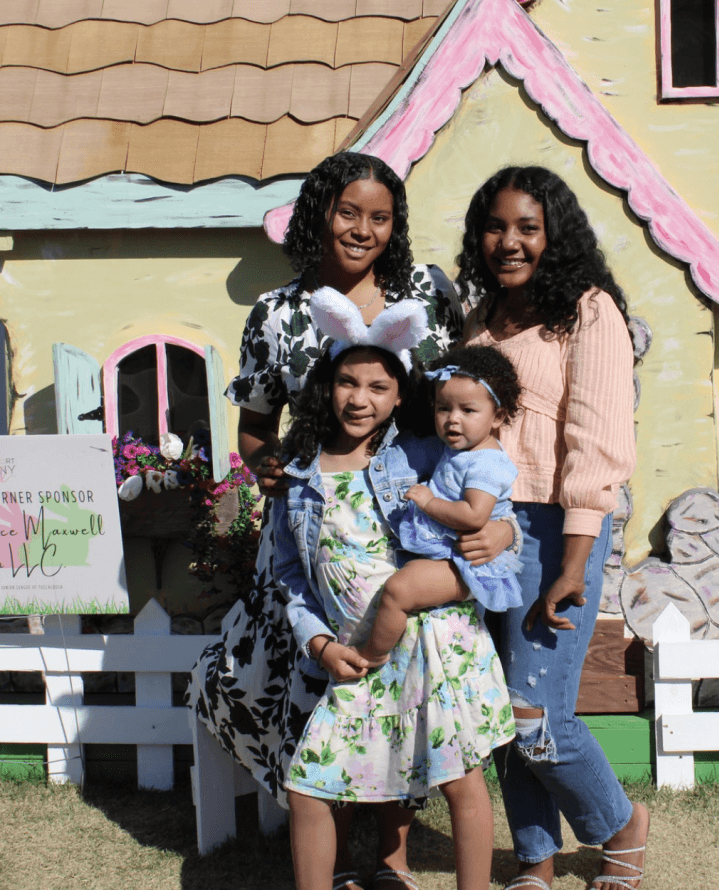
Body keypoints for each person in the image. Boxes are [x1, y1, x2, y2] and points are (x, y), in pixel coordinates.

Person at [187, 150, 513, 890]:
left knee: (412, 692)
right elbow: (253, 427)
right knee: (327, 690)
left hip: (416, 523)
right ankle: (329, 855)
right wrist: (267, 467)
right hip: (317, 518)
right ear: (318, 215)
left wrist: (491, 513)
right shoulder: (275, 313)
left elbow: (468, 407)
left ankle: (392, 861)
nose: (362, 229)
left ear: (395, 226)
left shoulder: (428, 298)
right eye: (347, 212)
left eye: (380, 216)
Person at [277, 291, 514, 890]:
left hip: (430, 643)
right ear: (327, 387)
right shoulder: (301, 473)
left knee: (460, 776)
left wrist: (505, 530)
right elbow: (290, 575)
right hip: (355, 655)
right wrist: (319, 643)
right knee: (309, 786)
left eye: (378, 387)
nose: (360, 399)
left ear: (401, 396)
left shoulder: (418, 453)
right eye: (347, 384)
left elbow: (492, 485)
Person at [458, 166, 650, 890]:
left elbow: (597, 440)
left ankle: (620, 824)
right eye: (496, 225)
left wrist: (574, 560)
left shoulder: (589, 310)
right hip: (489, 528)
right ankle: (534, 859)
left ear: (554, 234)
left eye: (527, 228)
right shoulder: (480, 319)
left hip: (554, 527)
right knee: (500, 704)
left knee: (535, 710)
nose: (509, 241)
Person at [357, 344, 524, 668]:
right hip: (450, 551)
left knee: (397, 591)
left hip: (468, 560)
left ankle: (371, 656)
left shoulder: (486, 464)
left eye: (468, 411)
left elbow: (474, 516)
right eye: (444, 408)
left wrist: (429, 502)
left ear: (499, 416)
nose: (452, 420)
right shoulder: (463, 450)